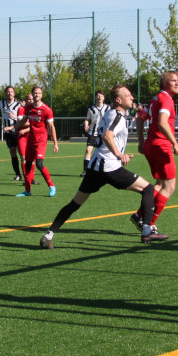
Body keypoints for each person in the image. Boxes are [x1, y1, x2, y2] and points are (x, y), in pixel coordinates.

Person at [40, 85, 160, 248]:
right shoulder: (117, 116)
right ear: (118, 100)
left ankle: (48, 235)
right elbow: (107, 136)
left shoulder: (111, 113)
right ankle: (147, 230)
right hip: (109, 167)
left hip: (95, 167)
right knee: (148, 189)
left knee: (75, 203)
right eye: (128, 95)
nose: (132, 97)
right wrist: (119, 155)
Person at [133, 70, 178, 238]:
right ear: (164, 83)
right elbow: (162, 122)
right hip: (161, 146)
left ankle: (140, 215)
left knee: (160, 183)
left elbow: (140, 117)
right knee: (170, 186)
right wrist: (175, 142)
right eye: (173, 80)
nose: (177, 83)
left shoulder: (155, 99)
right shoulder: (166, 100)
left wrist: (141, 142)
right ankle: (149, 223)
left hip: (151, 145)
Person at [14, 86, 59, 197]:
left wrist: (55, 143)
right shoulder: (28, 108)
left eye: (38, 93)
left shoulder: (46, 110)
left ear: (41, 95)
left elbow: (51, 127)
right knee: (28, 165)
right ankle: (27, 191)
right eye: (35, 93)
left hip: (41, 141)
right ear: (32, 94)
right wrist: (12, 127)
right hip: (30, 140)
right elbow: (23, 121)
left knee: (39, 164)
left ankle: (52, 186)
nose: (36, 95)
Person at [81, 91, 110, 177]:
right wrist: (86, 125)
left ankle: (106, 170)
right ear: (95, 97)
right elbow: (87, 119)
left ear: (104, 98)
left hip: (104, 134)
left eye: (101, 96)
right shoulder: (91, 109)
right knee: (88, 150)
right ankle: (86, 171)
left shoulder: (108, 108)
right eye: (98, 96)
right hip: (93, 133)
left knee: (105, 152)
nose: (99, 97)